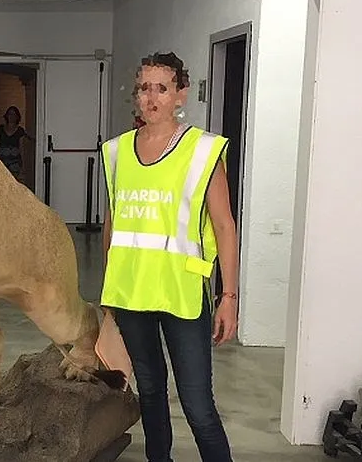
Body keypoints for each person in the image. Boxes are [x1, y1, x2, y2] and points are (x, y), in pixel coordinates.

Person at [100, 51, 238, 462]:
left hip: (182, 294)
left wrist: (228, 296)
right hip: (131, 294)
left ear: (181, 94)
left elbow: (226, 226)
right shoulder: (117, 152)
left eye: (161, 88)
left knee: (198, 407)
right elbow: (113, 226)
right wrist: (108, 300)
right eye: (144, 88)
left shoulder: (202, 151)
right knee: (152, 395)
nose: (151, 97)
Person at [0, 105, 33, 182]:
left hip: (15, 163)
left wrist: (23, 167)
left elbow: (22, 149)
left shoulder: (20, 131)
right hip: (2, 161)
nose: (11, 117)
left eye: (14, 114)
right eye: (10, 114)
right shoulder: (1, 129)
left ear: (17, 117)